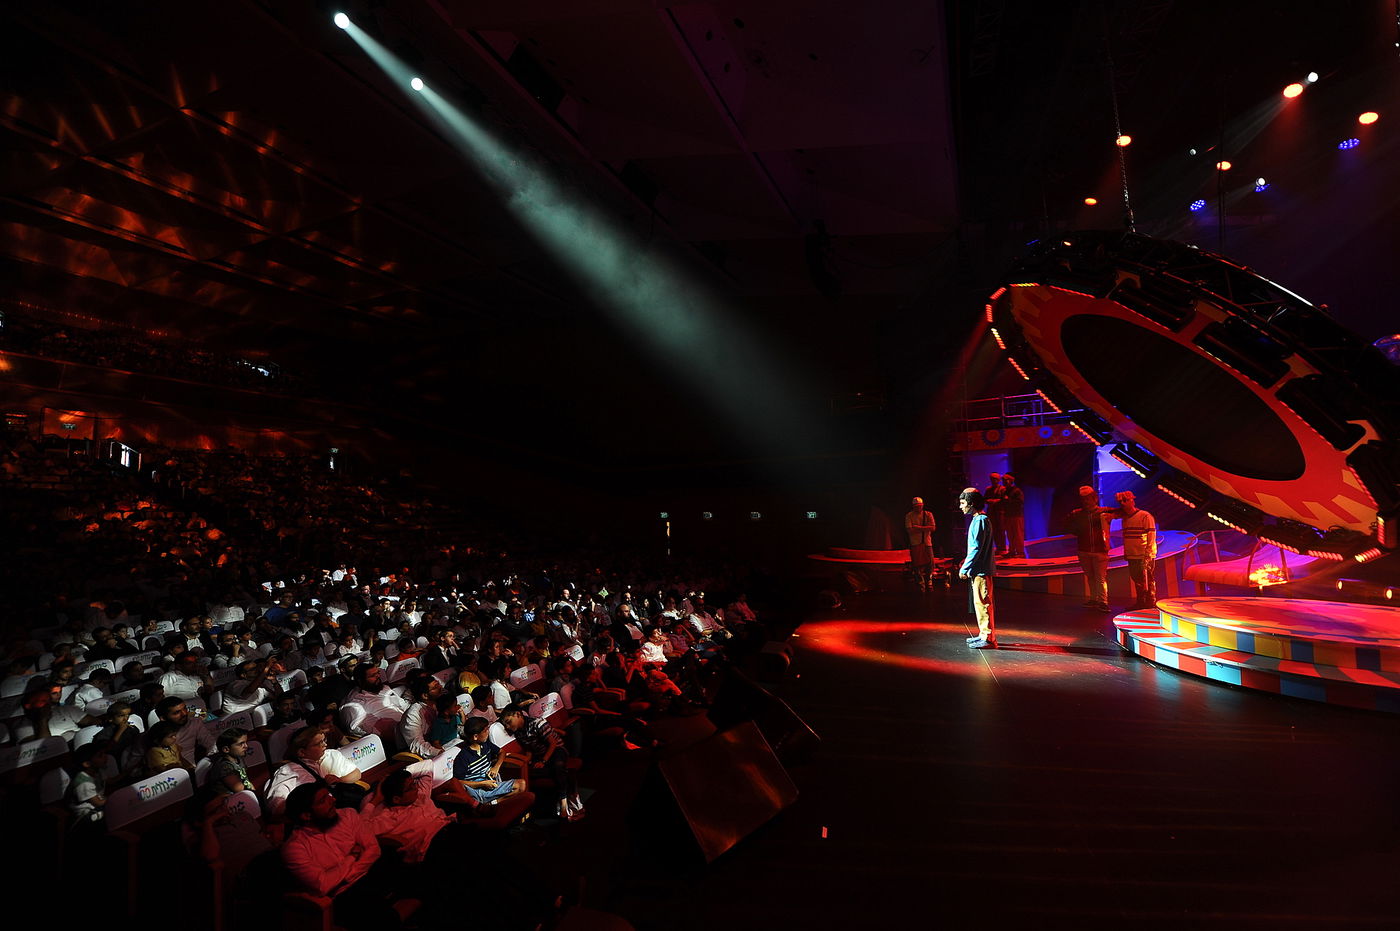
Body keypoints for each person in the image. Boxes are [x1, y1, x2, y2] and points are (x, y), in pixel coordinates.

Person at [280, 784, 401, 931]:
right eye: (323, 800)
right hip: (344, 895)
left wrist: (348, 875)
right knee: (382, 916)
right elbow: (322, 885)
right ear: (307, 815)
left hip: (369, 873)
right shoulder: (295, 847)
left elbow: (373, 849)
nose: (333, 800)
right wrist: (352, 856)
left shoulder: (348, 815)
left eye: (329, 795)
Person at [499, 703, 582, 821]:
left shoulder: (537, 722)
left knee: (557, 766)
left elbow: (553, 743)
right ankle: (570, 794)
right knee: (538, 773)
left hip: (556, 750)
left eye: (508, 721)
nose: (507, 726)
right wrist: (528, 762)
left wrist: (543, 761)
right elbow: (529, 750)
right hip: (539, 755)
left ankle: (563, 802)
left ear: (518, 715)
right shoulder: (518, 732)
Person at [959, 488, 997, 649]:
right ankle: (983, 634)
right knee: (979, 603)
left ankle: (988, 637)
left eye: (962, 503)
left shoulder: (981, 520)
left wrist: (964, 568)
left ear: (971, 503)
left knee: (983, 603)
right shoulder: (978, 519)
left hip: (981, 570)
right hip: (978, 570)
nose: (960, 506)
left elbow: (976, 548)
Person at [1068, 485, 1112, 611]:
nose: (1086, 501)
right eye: (1084, 499)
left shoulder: (1104, 512)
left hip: (1100, 551)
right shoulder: (1078, 514)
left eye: (1088, 499)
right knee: (1091, 576)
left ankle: (1103, 601)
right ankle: (1094, 599)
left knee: (1100, 577)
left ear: (1095, 499)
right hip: (1084, 550)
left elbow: (1121, 512)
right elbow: (1069, 526)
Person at [1114, 490, 1158, 609]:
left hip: (1143, 553)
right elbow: (1126, 537)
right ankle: (1140, 602)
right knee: (1136, 578)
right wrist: (1127, 552)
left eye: (1125, 500)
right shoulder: (1125, 519)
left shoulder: (1145, 515)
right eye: (1120, 502)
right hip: (1132, 554)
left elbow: (1151, 534)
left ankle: (1150, 602)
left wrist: (1148, 552)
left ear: (1132, 500)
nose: (1122, 504)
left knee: (1147, 578)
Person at [904, 496, 938, 591]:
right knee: (917, 565)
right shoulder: (909, 516)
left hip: (927, 543)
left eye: (920, 506)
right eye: (917, 506)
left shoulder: (928, 514)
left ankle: (929, 582)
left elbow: (933, 528)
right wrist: (925, 528)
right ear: (913, 506)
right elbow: (909, 530)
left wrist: (917, 527)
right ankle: (921, 584)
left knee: (930, 563)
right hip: (915, 543)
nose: (919, 508)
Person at [1001, 473, 1026, 558]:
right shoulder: (1004, 491)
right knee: (1010, 534)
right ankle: (1012, 551)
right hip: (1008, 515)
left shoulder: (1017, 491)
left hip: (1016, 515)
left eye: (1005, 480)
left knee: (1018, 534)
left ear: (1011, 481)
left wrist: (1009, 500)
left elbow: (1020, 502)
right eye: (1003, 480)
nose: (1004, 482)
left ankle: (1020, 552)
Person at [984, 473, 1008, 556]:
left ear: (998, 480)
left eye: (994, 479)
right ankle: (998, 547)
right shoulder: (988, 489)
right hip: (991, 512)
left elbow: (1004, 500)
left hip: (1000, 512)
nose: (993, 481)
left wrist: (995, 501)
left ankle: (1003, 547)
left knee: (1001, 530)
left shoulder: (1002, 489)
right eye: (992, 479)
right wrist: (989, 501)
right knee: (993, 530)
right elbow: (985, 499)